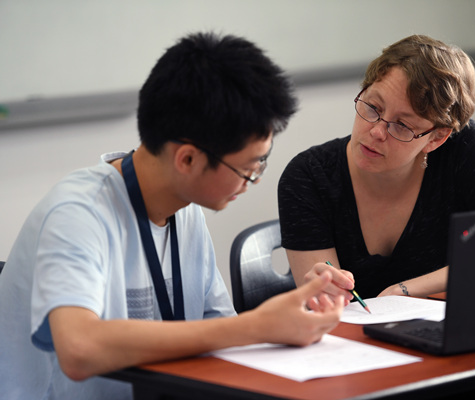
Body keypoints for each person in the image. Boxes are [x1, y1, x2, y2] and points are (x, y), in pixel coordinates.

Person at [0, 32, 344, 400]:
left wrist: (295, 316)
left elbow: (217, 327)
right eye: (248, 169)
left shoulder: (186, 209)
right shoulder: (77, 214)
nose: (251, 182)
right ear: (188, 159)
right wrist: (257, 326)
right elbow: (79, 350)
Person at [278, 34, 475, 302]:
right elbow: (329, 311)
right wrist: (322, 293)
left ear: (436, 138)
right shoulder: (308, 176)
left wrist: (403, 291)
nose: (376, 131)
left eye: (402, 125)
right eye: (372, 107)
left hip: (439, 331)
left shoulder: (459, 147)